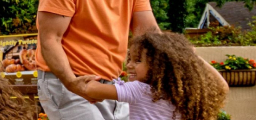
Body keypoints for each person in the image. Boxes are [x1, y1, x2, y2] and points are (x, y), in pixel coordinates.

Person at [63, 33, 229, 120]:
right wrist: (192, 57)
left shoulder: (139, 90)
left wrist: (77, 78)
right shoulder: (181, 95)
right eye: (130, 59)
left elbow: (90, 89)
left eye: (137, 60)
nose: (129, 65)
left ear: (159, 66)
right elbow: (222, 86)